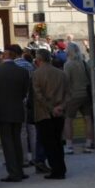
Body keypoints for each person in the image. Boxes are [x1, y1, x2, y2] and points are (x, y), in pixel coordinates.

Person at [0, 45, 30, 182]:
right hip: (17, 109)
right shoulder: (22, 72)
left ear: (5, 56)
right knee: (16, 141)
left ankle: (14, 172)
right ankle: (19, 169)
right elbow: (25, 91)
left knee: (7, 143)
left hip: (1, 110)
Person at [31, 51, 68, 180]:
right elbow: (68, 93)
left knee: (49, 143)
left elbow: (38, 95)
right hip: (59, 112)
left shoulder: (36, 74)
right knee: (57, 141)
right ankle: (61, 168)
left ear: (38, 59)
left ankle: (56, 170)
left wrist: (51, 108)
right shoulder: (61, 73)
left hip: (45, 113)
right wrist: (61, 107)